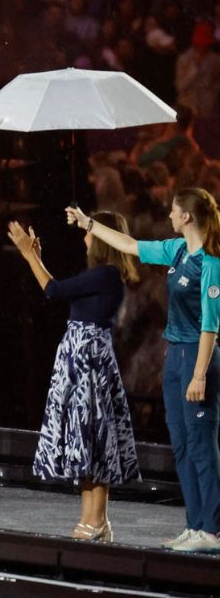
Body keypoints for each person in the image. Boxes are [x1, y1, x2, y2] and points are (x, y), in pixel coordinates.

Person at [66, 190, 220, 552]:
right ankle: (195, 524)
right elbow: (131, 245)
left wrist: (199, 375)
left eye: (173, 211)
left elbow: (211, 327)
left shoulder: (211, 264)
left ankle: (212, 528)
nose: (168, 215)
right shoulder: (177, 250)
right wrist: (89, 223)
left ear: (187, 217)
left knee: (201, 444)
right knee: (181, 444)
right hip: (176, 355)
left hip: (200, 358)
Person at [6, 213, 141, 542]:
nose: (85, 239)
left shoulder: (107, 275)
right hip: (81, 356)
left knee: (91, 437)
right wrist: (36, 257)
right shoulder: (103, 276)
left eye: (91, 233)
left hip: (87, 359)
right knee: (86, 439)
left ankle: (96, 520)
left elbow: (53, 290)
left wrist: (28, 255)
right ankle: (95, 521)